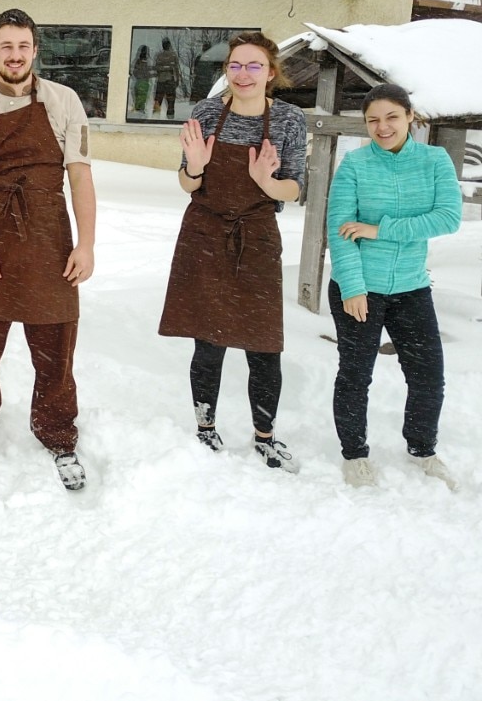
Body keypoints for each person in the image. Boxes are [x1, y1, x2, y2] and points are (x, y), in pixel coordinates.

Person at [0, 8, 97, 490]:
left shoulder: (64, 101)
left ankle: (57, 431)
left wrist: (87, 244)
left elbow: (80, 176)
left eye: (23, 46)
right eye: (6, 46)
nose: (15, 55)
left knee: (56, 348)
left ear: (35, 50)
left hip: (49, 239)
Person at [158, 30, 307, 472]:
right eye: (235, 65)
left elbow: (295, 189)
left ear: (271, 73)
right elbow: (187, 182)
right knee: (209, 341)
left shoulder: (288, 121)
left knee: (264, 344)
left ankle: (265, 435)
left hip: (257, 238)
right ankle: (205, 426)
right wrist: (196, 167)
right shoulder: (205, 113)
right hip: (205, 234)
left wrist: (264, 182)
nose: (243, 74)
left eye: (253, 65)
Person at [326, 83, 462, 490]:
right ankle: (355, 455)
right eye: (372, 120)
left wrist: (378, 229)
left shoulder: (435, 161)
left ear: (409, 118)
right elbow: (340, 231)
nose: (382, 127)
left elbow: (447, 219)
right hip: (359, 287)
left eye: (391, 117)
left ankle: (422, 448)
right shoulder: (354, 165)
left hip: (411, 288)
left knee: (428, 375)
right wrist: (352, 287)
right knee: (355, 375)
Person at [153, 37, 181, 119]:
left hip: (162, 81)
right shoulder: (173, 55)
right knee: (170, 102)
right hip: (169, 81)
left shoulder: (159, 56)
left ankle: (155, 117)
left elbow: (157, 68)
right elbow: (176, 69)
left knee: (159, 101)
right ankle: (170, 118)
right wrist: (177, 80)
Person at [131, 45, 151, 113]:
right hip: (144, 82)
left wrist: (138, 76)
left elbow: (134, 72)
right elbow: (150, 72)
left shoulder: (137, 61)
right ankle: (140, 111)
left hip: (138, 82)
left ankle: (138, 110)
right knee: (142, 99)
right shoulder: (148, 62)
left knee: (138, 99)